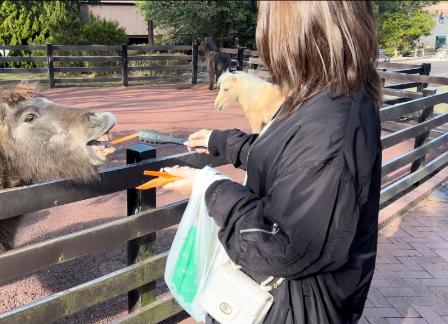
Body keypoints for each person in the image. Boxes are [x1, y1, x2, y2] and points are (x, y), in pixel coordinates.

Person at [162, 1, 382, 323]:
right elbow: (291, 162)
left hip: (293, 309)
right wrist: (221, 142)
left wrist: (209, 187)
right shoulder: (323, 97)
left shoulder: (331, 121)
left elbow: (281, 245)